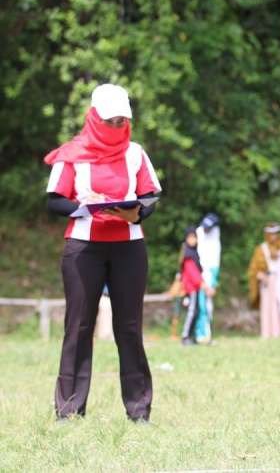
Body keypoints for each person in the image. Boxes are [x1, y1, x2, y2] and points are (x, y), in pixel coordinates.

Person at [44, 83, 161, 422]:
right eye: (111, 120)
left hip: (129, 248)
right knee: (78, 327)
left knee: (129, 328)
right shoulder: (72, 154)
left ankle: (139, 411)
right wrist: (85, 208)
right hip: (84, 249)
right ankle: (69, 411)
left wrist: (136, 213)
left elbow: (151, 195)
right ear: (94, 117)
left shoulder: (135, 153)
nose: (117, 127)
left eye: (122, 120)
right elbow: (54, 200)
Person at [247, 223, 280, 338]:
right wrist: (261, 275)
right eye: (271, 234)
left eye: (276, 233)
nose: (274, 236)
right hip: (270, 281)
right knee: (270, 307)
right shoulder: (262, 249)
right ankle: (271, 332)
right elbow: (254, 268)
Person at [178, 227, 215, 345]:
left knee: (196, 311)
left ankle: (192, 336)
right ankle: (185, 336)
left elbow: (198, 272)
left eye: (194, 237)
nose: (193, 240)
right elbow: (192, 273)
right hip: (191, 288)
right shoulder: (188, 254)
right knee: (192, 311)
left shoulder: (194, 253)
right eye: (190, 237)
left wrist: (203, 284)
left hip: (196, 287)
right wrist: (204, 285)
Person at [194, 213, 221, 344]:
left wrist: (214, 283)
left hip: (210, 275)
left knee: (208, 306)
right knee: (200, 306)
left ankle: (207, 334)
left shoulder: (215, 235)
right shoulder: (198, 234)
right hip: (199, 275)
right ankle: (200, 334)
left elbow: (215, 262)